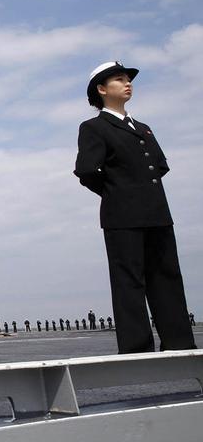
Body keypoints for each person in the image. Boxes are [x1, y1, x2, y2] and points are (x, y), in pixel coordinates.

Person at [75, 61, 196, 354]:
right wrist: (118, 193)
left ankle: (179, 344)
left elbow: (159, 165)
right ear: (102, 90)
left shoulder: (143, 128)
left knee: (167, 276)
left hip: (157, 212)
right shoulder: (94, 127)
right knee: (129, 282)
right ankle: (136, 349)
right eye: (119, 79)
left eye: (128, 79)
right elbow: (87, 171)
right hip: (121, 216)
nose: (127, 83)